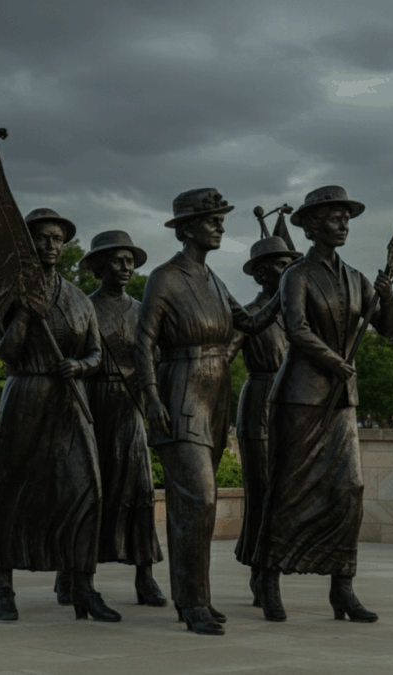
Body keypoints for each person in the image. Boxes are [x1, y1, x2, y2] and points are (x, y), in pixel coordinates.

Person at [135, 188, 280, 636]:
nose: (220, 225)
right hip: (180, 389)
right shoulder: (164, 277)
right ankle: (193, 601)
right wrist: (152, 399)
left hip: (215, 394)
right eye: (211, 219)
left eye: (221, 219)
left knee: (196, 504)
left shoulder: (215, 280)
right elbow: (143, 343)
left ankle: (194, 597)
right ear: (186, 228)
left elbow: (251, 323)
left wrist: (290, 285)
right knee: (198, 499)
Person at [253, 185, 393, 623]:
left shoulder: (357, 278)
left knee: (348, 490)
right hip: (300, 395)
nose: (343, 224)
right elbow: (295, 328)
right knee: (289, 489)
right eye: (335, 217)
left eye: (347, 218)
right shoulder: (295, 274)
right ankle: (268, 576)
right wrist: (337, 362)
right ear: (313, 225)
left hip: (341, 401)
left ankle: (343, 586)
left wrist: (387, 294)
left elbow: (388, 330)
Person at [0, 208, 119, 623]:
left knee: (86, 489)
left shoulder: (78, 297)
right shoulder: (5, 293)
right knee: (12, 491)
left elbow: (97, 353)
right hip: (27, 393)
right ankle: (3, 586)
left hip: (70, 398)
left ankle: (83, 586)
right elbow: (5, 353)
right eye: (42, 237)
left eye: (58, 239)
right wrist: (25, 312)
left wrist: (79, 367)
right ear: (27, 242)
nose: (51, 245)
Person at [76, 230, 167, 608]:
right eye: (117, 260)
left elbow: (153, 353)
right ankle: (76, 575)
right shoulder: (85, 306)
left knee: (139, 490)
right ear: (99, 266)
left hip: (131, 406)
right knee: (88, 491)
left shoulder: (141, 307)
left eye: (130, 260)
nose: (126, 267)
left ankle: (144, 576)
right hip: (94, 402)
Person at [226, 236, 300, 607]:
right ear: (258, 273)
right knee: (263, 496)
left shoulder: (297, 317)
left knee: (286, 496)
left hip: (293, 410)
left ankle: (273, 568)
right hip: (258, 408)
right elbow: (220, 357)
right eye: (277, 263)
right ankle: (262, 573)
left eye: (289, 261)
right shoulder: (250, 315)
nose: (286, 267)